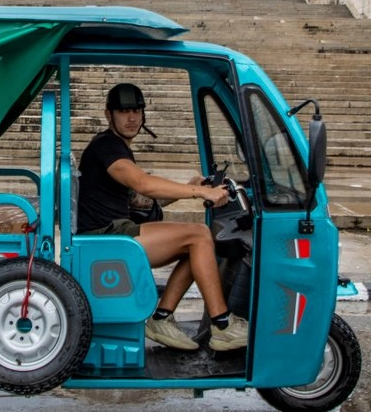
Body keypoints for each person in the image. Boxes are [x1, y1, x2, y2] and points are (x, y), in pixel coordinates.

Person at [75, 83, 250, 352]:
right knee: (199, 235)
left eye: (136, 111)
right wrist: (200, 191)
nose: (132, 118)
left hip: (113, 233)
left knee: (197, 245)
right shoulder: (107, 146)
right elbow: (142, 183)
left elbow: (140, 199)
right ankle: (223, 325)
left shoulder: (114, 147)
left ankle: (161, 318)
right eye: (124, 111)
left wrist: (189, 186)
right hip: (106, 239)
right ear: (109, 114)